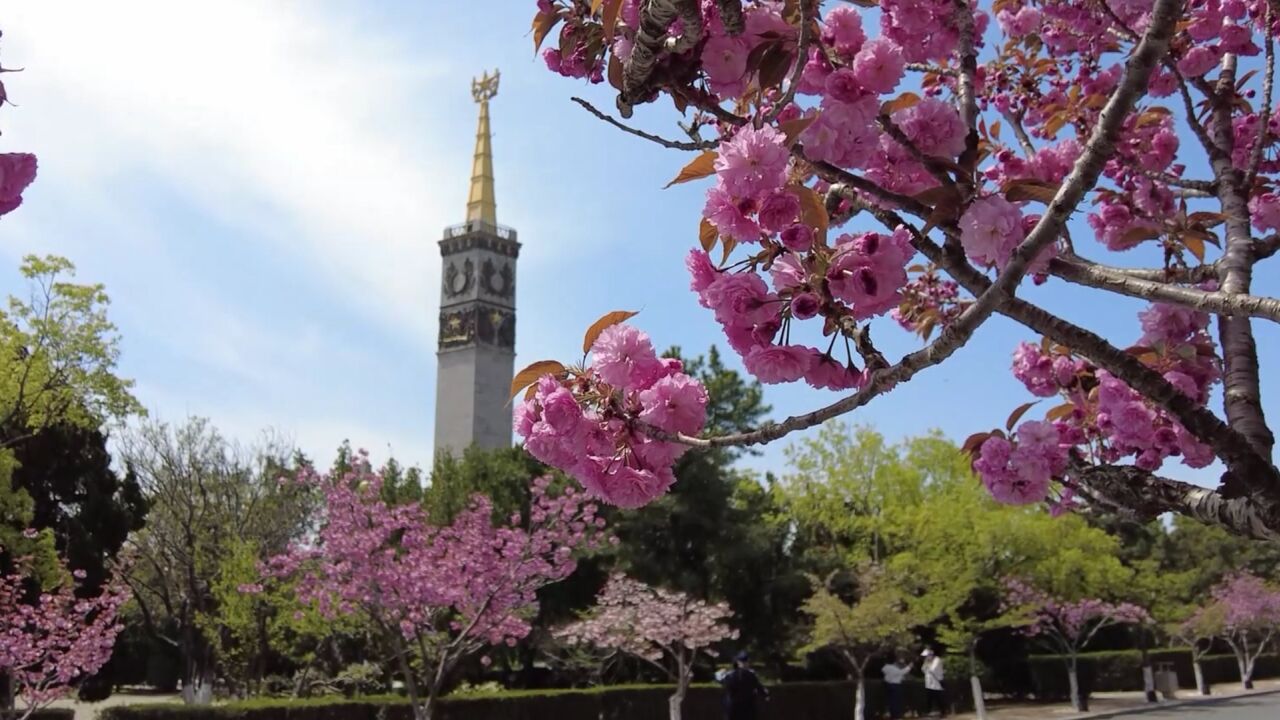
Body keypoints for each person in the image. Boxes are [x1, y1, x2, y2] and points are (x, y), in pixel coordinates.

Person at [719, 651, 769, 720]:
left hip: (733, 707)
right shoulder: (751, 675)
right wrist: (765, 694)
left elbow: (725, 684)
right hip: (747, 707)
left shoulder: (731, 675)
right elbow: (758, 686)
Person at [881, 654, 909, 719]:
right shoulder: (892, 668)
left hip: (888, 685)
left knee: (891, 701)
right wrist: (909, 667)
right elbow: (901, 672)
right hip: (895, 685)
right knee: (896, 701)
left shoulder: (885, 667)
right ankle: (896, 715)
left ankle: (893, 715)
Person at [921, 648, 946, 717]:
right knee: (929, 699)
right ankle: (928, 712)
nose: (925, 658)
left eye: (926, 656)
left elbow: (933, 669)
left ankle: (943, 712)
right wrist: (926, 663)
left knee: (939, 699)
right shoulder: (927, 662)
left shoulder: (937, 660)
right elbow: (923, 670)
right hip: (929, 683)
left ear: (931, 655)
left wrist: (927, 664)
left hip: (937, 683)